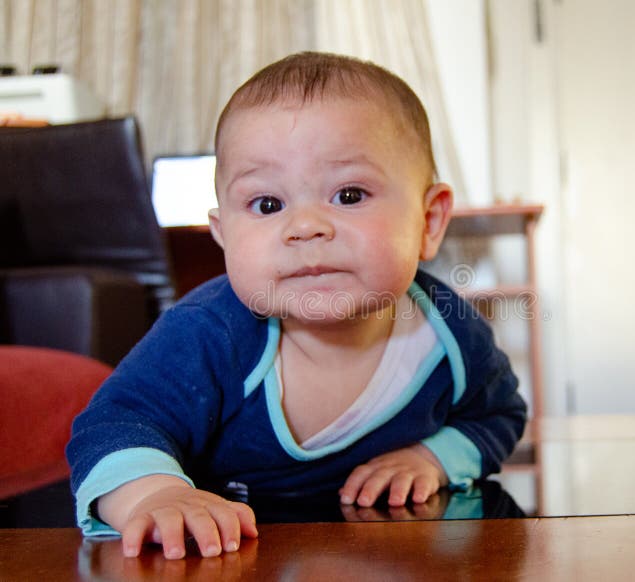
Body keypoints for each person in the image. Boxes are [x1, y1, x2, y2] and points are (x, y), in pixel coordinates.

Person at [67, 51, 527, 560]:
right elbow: (114, 423)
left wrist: (435, 456)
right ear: (224, 237)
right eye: (267, 205)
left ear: (430, 220)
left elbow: (497, 413)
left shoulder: (450, 335)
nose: (305, 226)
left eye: (349, 195)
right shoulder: (209, 333)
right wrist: (156, 495)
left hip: (393, 552)